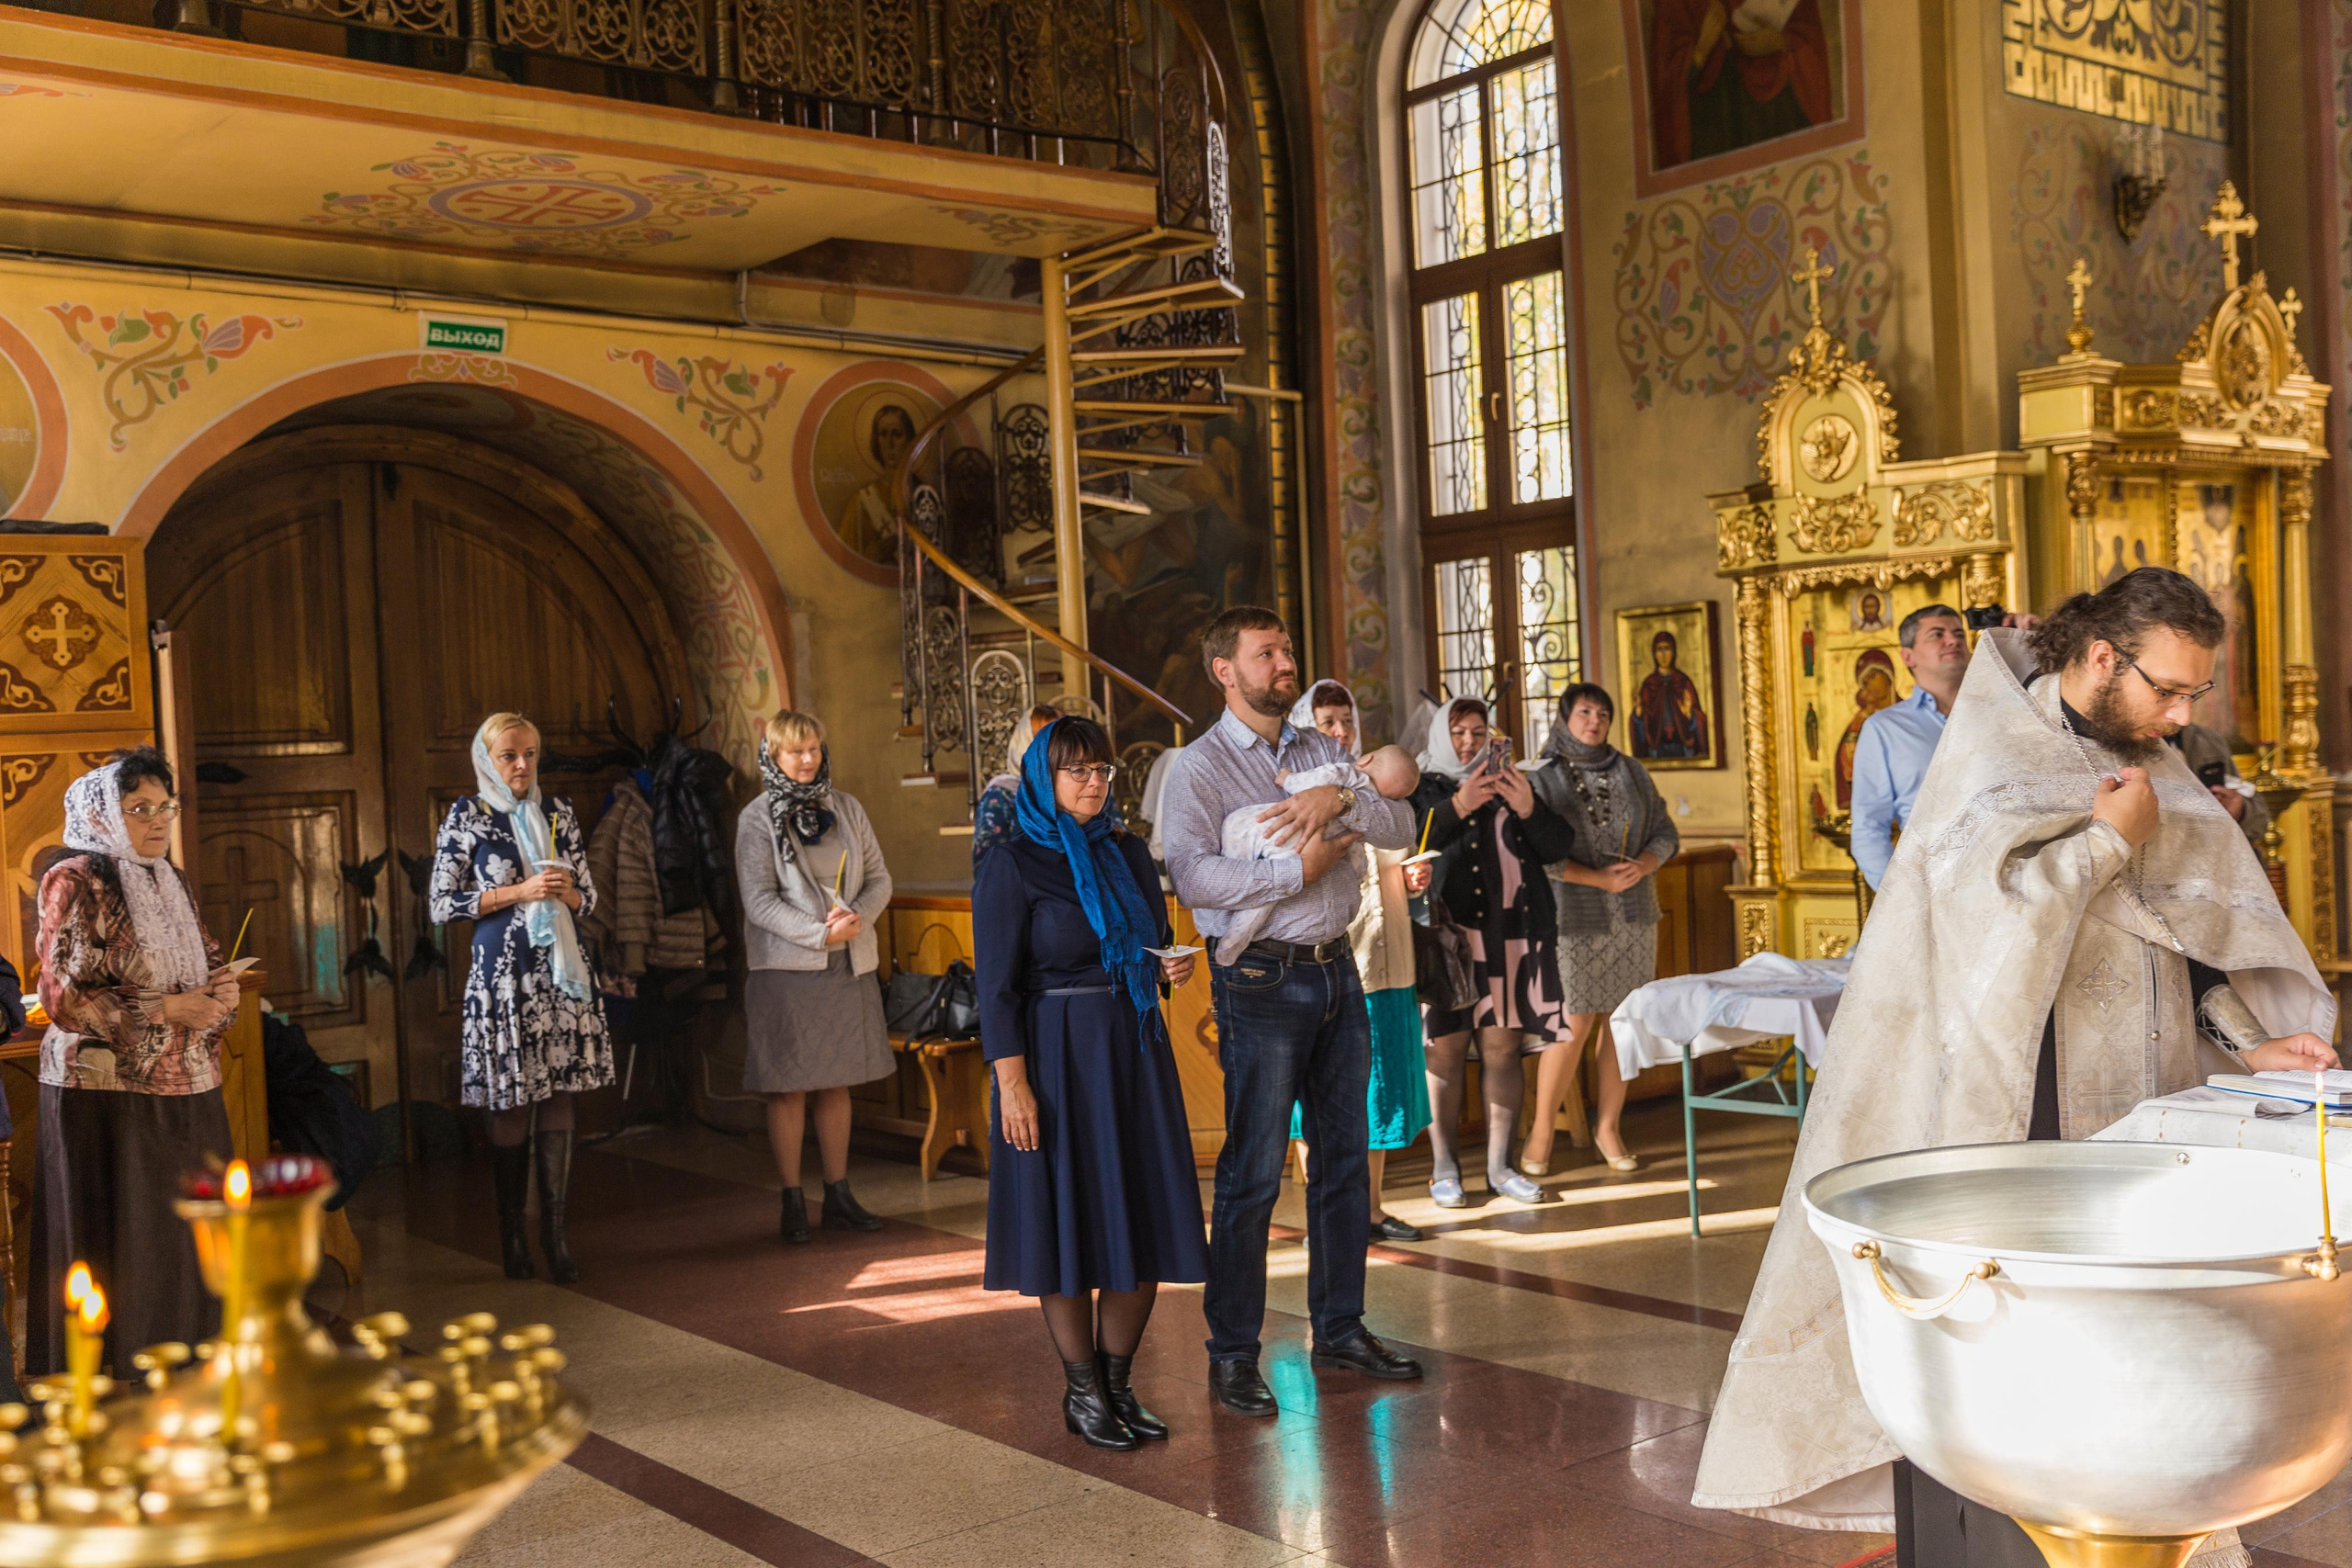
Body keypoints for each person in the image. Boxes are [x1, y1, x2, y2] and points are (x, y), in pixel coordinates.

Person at [1693, 568, 2337, 1568]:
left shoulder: (2150, 758)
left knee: (2143, 1366)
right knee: (2026, 1368)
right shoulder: (1990, 751)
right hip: (2018, 1102)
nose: (2176, 715)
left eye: (2190, 696)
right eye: (2165, 689)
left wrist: (2244, 1033)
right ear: (2097, 658)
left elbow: (2191, 932)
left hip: (2144, 1085)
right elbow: (1980, 931)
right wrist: (2101, 846)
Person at [1159, 605, 1424, 1417]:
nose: (1284, 661)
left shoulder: (1321, 748)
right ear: (1224, 671)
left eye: (1286, 649)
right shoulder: (1197, 768)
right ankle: (1233, 1352)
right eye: (1265, 652)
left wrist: (1332, 804)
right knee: (1252, 1172)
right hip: (1262, 982)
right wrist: (1294, 871)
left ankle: (1339, 1327)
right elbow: (1191, 876)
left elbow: (1401, 821)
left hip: (1338, 970)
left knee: (1343, 1162)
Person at [977, 716, 1207, 1450]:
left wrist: (1170, 966)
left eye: (1103, 769)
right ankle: (1081, 1391)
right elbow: (996, 989)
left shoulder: (1129, 852)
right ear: (1045, 778)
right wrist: (1013, 1086)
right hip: (1054, 1059)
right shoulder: (1011, 862)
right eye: (1077, 769)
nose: (1093, 781)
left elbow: (1147, 944)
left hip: (1133, 1051)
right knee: (1068, 1217)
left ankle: (1116, 1382)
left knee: (1143, 1215)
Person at [29, 749, 241, 1377]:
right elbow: (62, 997)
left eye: (164, 807)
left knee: (185, 1234)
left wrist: (220, 993)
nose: (157, 820)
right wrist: (171, 1008)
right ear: (104, 815)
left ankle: (188, 1367)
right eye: (139, 808)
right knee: (129, 1240)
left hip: (188, 1080)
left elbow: (200, 962)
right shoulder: (74, 878)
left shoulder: (168, 878)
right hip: (107, 1091)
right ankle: (118, 1379)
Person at [431, 713, 614, 1283]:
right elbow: (441, 903)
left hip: (560, 978)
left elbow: (591, 900)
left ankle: (555, 1234)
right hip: (504, 981)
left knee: (560, 1096)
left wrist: (572, 892)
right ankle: (512, 1233)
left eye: (531, 754)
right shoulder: (469, 816)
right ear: (487, 759)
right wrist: (518, 891)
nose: (522, 766)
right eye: (510, 755)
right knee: (510, 1101)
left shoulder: (557, 813)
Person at [1411, 696, 1577, 1208]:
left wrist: (1527, 806)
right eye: (1458, 732)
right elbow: (1412, 843)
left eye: (1477, 733)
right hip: (1450, 943)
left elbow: (1556, 846)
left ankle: (1501, 1167)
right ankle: (1444, 1170)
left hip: (1513, 937)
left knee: (1504, 1051)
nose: (1467, 742)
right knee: (1445, 1051)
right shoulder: (1425, 788)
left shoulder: (1515, 784)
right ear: (1442, 735)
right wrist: (1460, 804)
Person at [1283, 680, 1433, 1245]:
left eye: (1346, 719)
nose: (1340, 731)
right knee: (1320, 1097)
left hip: (1392, 963)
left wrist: (1413, 879)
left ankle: (1370, 1210)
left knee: (1382, 1092)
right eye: (1326, 721)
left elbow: (1392, 864)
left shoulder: (1381, 789)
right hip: (1336, 964)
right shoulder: (1308, 792)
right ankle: (1327, 1213)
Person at [737, 709, 893, 1244]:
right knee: (789, 1090)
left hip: (847, 962)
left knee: (836, 1083)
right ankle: (791, 1200)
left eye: (814, 749)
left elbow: (879, 879)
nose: (807, 760)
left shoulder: (845, 807)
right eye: (794, 751)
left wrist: (857, 920)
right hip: (787, 969)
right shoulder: (757, 818)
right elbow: (758, 900)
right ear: (774, 757)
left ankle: (839, 1193)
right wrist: (818, 934)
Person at [1521, 683, 1679, 1175]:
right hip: (1574, 915)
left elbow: (1666, 833)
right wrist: (1595, 879)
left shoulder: (1632, 770)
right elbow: (1532, 854)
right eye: (1585, 711)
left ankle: (1610, 1127)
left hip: (1633, 914)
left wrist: (1645, 865)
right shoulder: (1541, 776)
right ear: (1565, 717)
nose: (1595, 721)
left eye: (1603, 714)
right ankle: (1542, 1134)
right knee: (1576, 1022)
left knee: (1623, 1022)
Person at [1210, 745, 1419, 965]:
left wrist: (1288, 780)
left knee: (1239, 835)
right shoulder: (1369, 795)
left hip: (1275, 825)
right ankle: (1233, 940)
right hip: (1297, 840)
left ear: (1366, 759)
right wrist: (1358, 874)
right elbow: (1357, 851)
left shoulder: (1348, 771)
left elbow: (1315, 780)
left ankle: (1232, 925)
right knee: (1269, 895)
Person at [1849, 604, 1966, 890]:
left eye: (1960, 634)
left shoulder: (1996, 713)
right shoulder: (1884, 728)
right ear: (1907, 656)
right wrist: (1898, 896)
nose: (1953, 640)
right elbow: (1869, 827)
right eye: (1937, 634)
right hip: (1936, 886)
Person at [972, 704, 1062, 865]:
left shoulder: (1085, 786)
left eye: (1062, 740)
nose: (1056, 750)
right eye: (1046, 740)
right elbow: (986, 866)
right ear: (1025, 743)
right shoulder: (1001, 795)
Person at [2168, 720, 2267, 849]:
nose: (2184, 714)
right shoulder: (2137, 746)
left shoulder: (2208, 740)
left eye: (2186, 699)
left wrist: (2241, 811)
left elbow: (2260, 820)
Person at [1632, 631, 1709, 760]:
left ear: (1674, 652)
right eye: (1659, 649)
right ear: (1654, 653)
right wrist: (1638, 715)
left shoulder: (1683, 682)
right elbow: (1641, 725)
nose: (1663, 655)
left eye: (1667, 649)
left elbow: (1700, 721)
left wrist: (1690, 715)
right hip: (1655, 750)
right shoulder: (1649, 684)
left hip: (1684, 748)